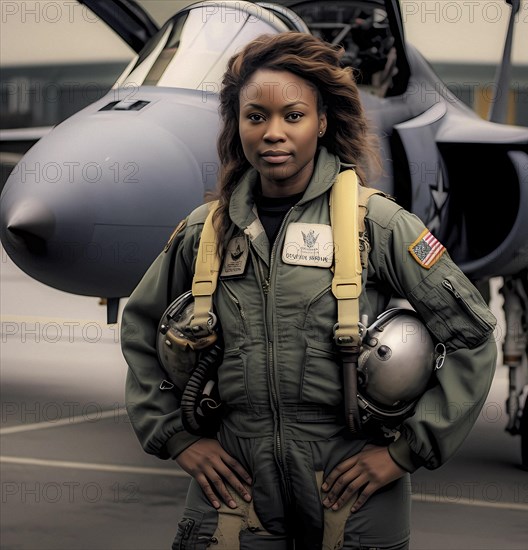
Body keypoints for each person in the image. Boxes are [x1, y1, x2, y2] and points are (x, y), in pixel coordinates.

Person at [121, 31, 497, 550]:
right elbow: (141, 331)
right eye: (256, 117)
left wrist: (402, 454)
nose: (273, 133)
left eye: (293, 116)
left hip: (353, 488)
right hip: (236, 487)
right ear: (239, 126)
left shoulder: (378, 225)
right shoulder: (204, 232)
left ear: (322, 122)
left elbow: (471, 337)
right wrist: (177, 437)